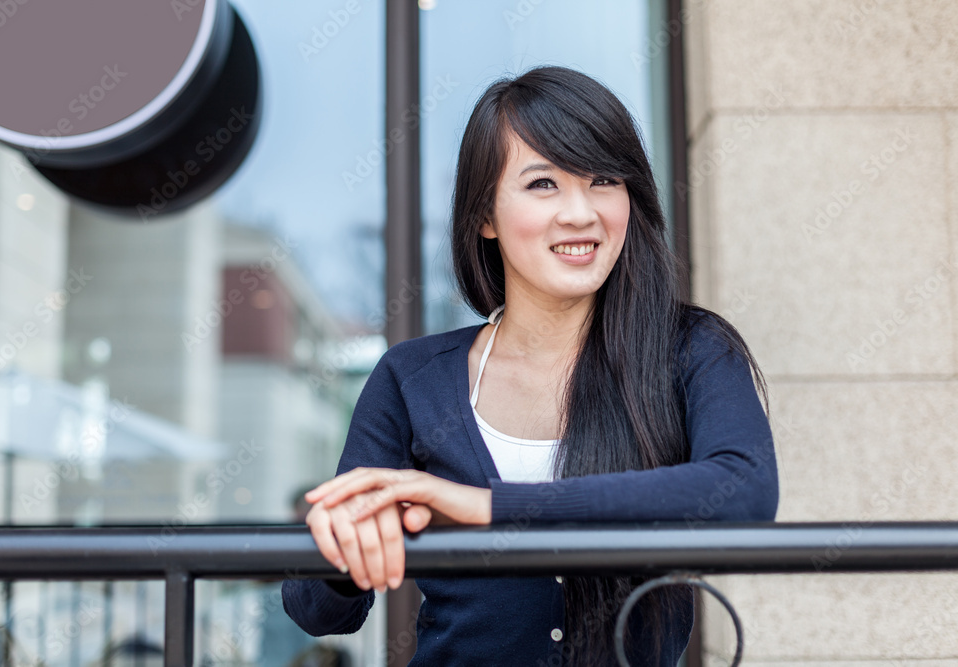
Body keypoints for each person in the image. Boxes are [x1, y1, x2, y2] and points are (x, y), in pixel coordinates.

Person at [282, 65, 779, 666]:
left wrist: (485, 507)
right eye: (543, 184)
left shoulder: (692, 348)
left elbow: (744, 491)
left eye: (602, 179)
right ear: (485, 216)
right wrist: (352, 544)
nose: (580, 213)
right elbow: (316, 609)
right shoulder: (413, 379)